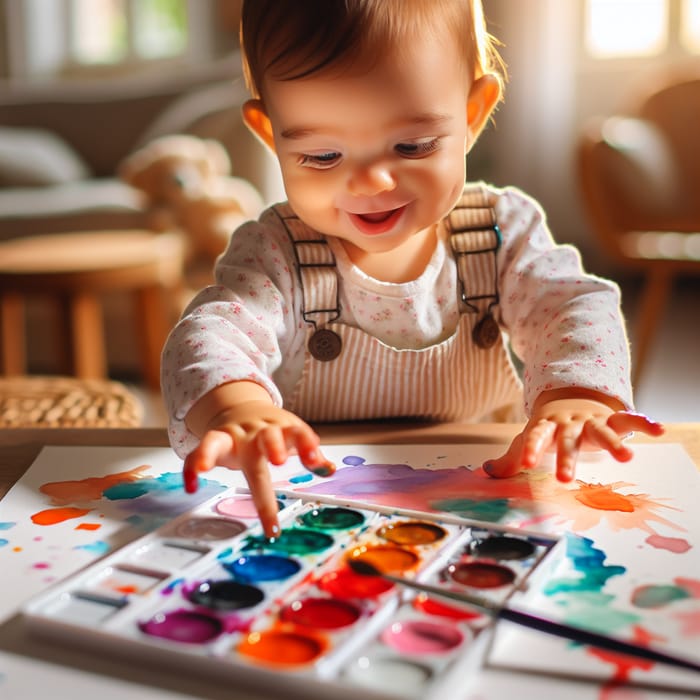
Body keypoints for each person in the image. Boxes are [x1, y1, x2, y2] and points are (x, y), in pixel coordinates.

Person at [161, 0, 664, 537]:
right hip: (320, 505)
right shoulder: (273, 253)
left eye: (412, 145)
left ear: (472, 115)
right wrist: (237, 409)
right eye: (323, 157)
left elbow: (572, 303)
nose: (372, 182)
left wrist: (574, 397)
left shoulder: (500, 233)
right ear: (271, 133)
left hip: (479, 499)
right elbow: (211, 334)